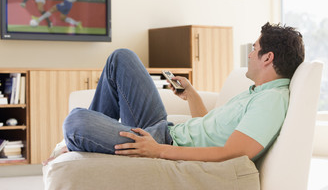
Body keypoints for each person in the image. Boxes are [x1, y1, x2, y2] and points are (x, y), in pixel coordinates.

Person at [43, 22, 305, 165]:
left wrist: (158, 151)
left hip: (166, 144)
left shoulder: (271, 100)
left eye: (254, 48)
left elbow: (233, 153)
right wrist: (191, 93)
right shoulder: (256, 92)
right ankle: (82, 142)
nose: (249, 54)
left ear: (267, 58)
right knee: (120, 58)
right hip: (164, 130)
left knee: (75, 122)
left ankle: (80, 140)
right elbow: (208, 127)